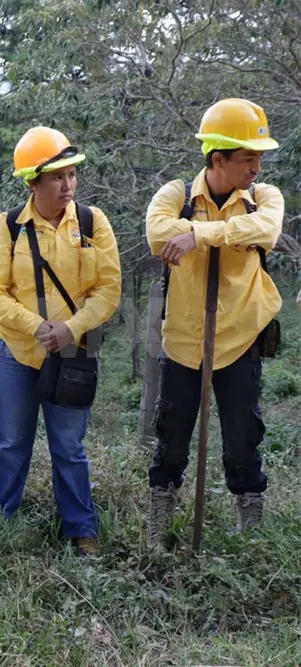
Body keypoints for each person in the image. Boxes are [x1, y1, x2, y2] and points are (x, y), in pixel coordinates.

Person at [145, 98, 283, 545]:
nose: (257, 166)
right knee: (172, 435)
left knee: (243, 438)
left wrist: (198, 234)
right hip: (183, 341)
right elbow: (156, 233)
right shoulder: (176, 195)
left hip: (240, 339)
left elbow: (266, 230)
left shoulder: (264, 197)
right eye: (248, 157)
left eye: (259, 156)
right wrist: (189, 232)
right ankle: (161, 518)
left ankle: (250, 529)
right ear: (217, 159)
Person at [0, 127, 122, 555]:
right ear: (33, 182)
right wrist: (36, 327)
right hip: (14, 353)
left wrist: (71, 328)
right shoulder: (8, 226)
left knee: (69, 446)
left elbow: (108, 289)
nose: (68, 184)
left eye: (72, 174)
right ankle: (2, 527)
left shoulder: (93, 223)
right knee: (12, 445)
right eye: (58, 176)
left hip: (72, 354)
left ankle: (82, 529)